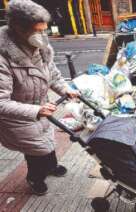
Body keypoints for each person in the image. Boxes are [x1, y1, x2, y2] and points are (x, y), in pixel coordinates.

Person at [0, 0, 79, 195]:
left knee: (46, 142)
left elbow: (52, 75)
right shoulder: (3, 58)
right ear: (19, 28)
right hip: (19, 117)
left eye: (44, 30)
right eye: (38, 30)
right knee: (36, 151)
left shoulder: (39, 46)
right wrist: (36, 111)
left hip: (40, 109)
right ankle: (35, 178)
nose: (43, 35)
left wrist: (65, 89)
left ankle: (50, 167)